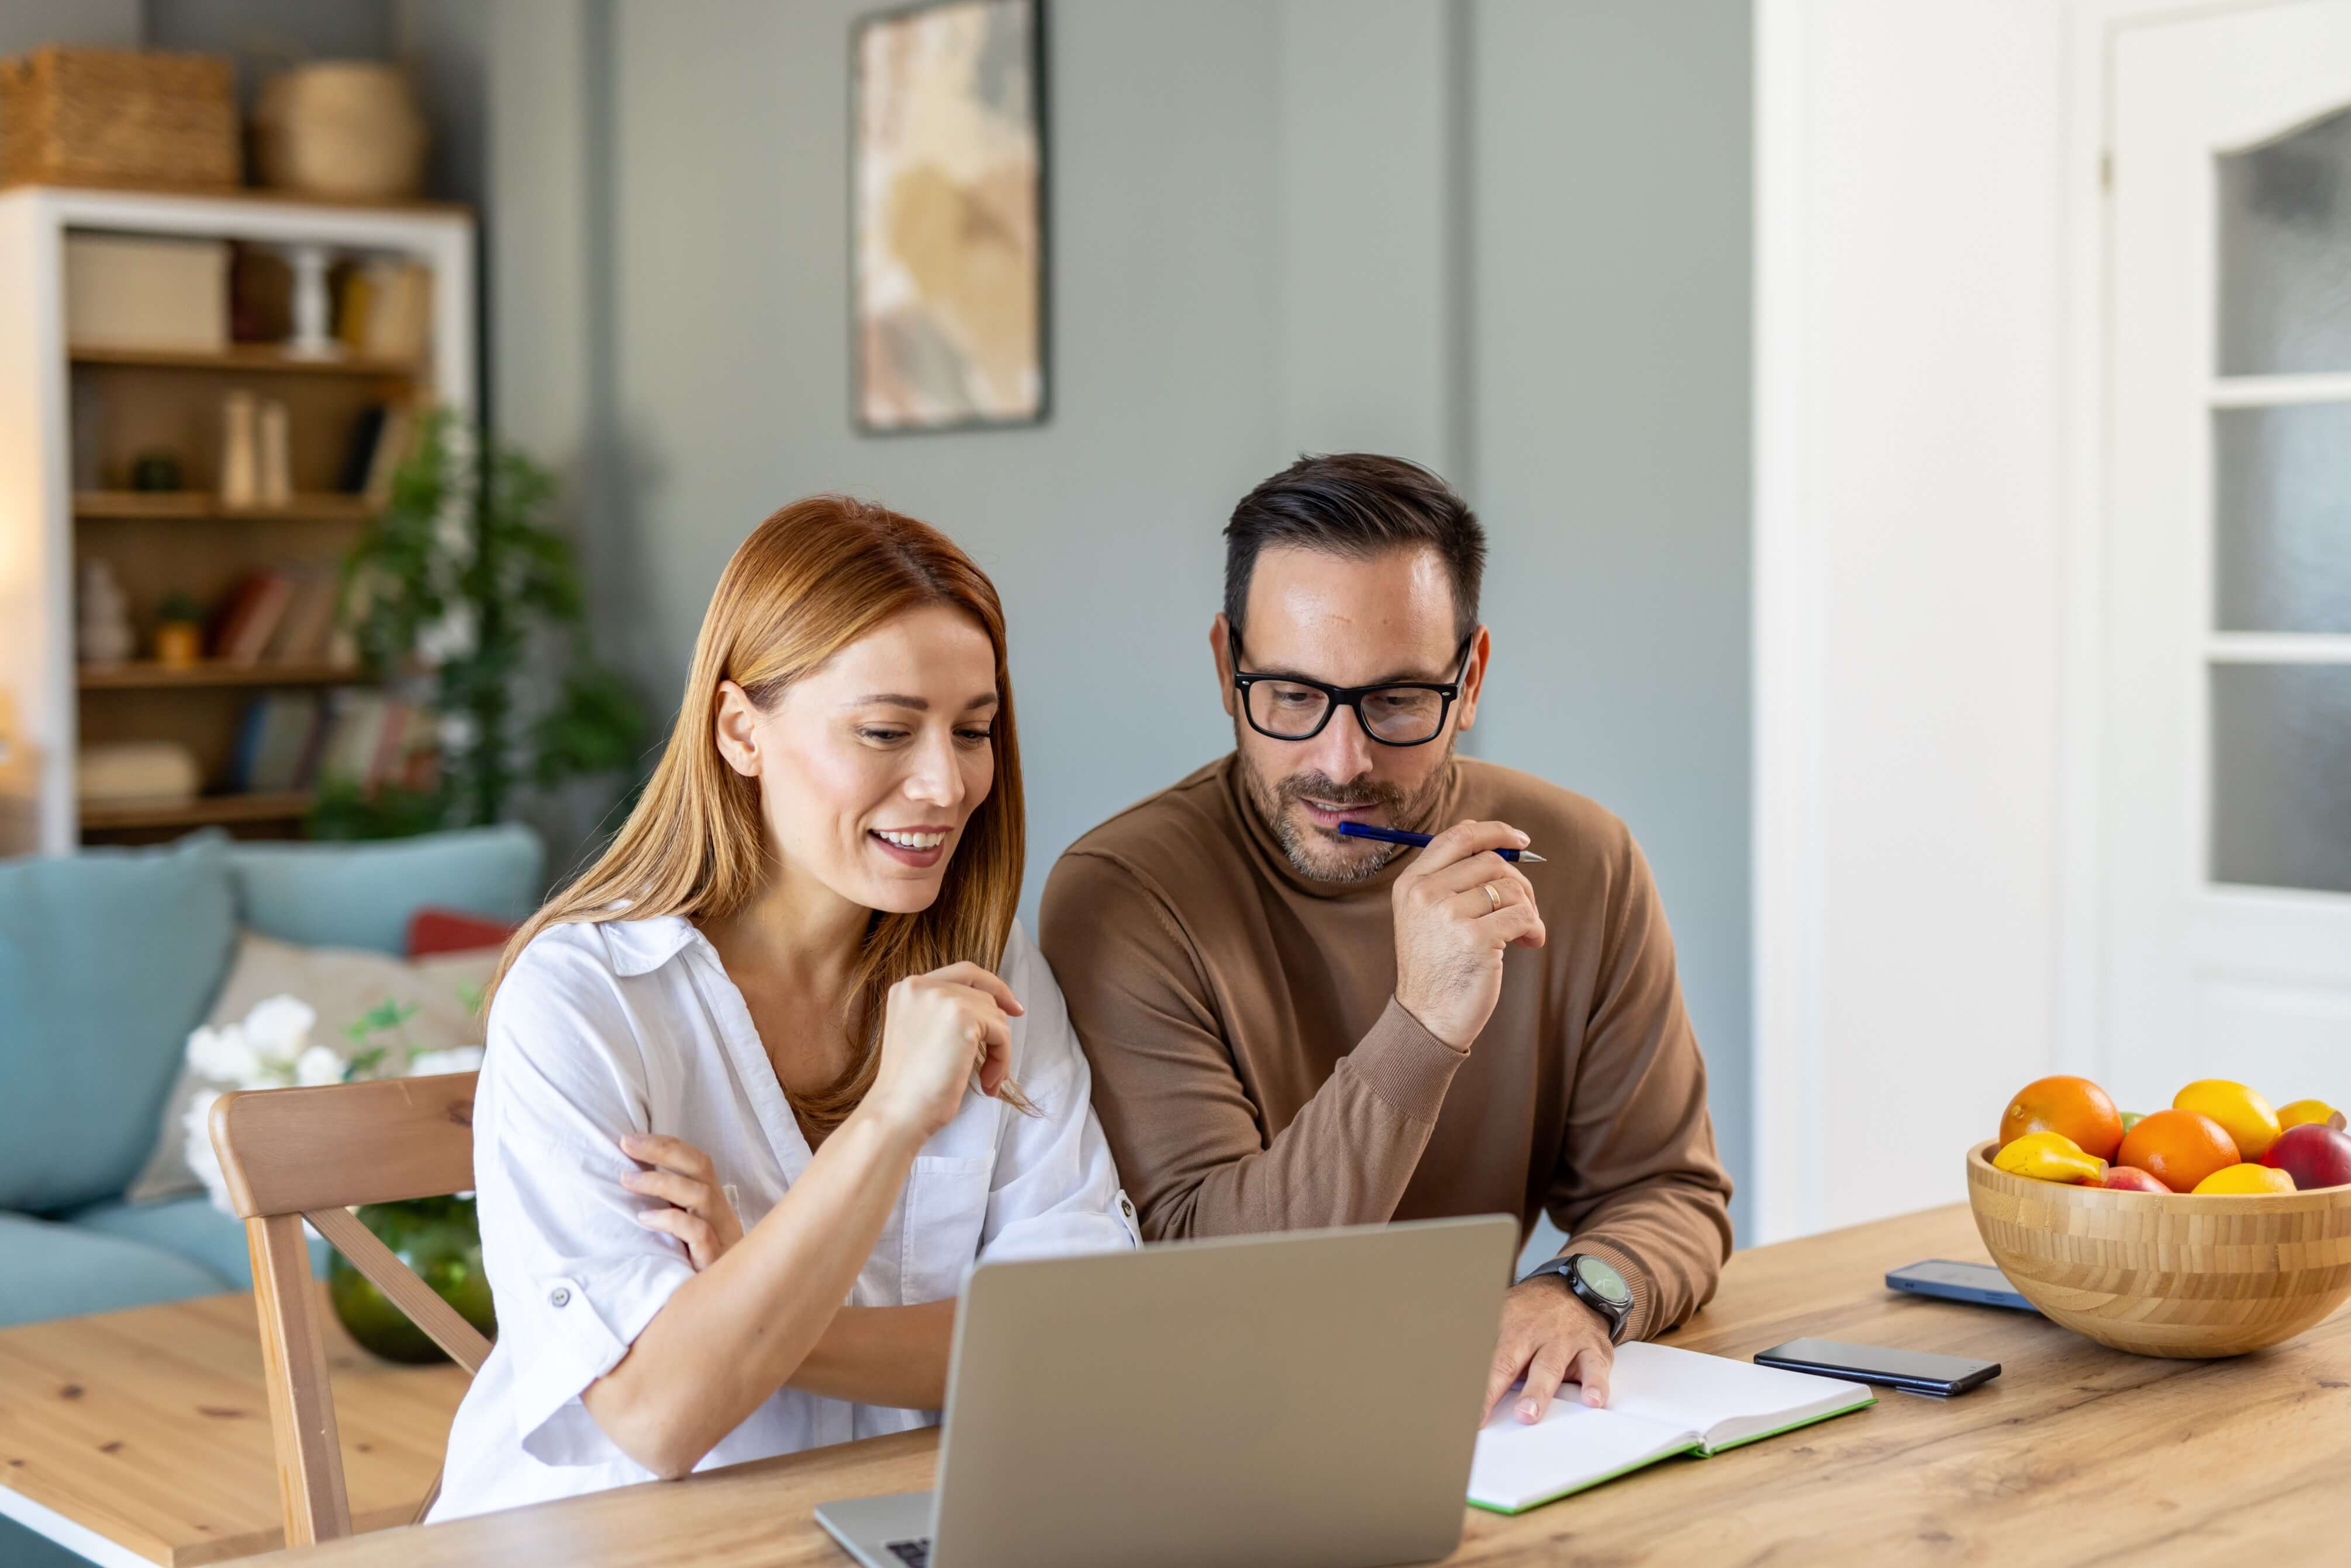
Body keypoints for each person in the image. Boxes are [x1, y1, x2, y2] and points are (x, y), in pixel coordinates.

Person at [431, 497, 1135, 1521]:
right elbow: (655, 1411)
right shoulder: (584, 997)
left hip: (882, 1524)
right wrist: (890, 1121)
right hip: (612, 1543)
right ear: (739, 730)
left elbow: (1077, 1342)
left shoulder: (991, 970)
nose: (945, 783)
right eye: (887, 730)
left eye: (973, 731)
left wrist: (755, 1294)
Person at [1039, 453, 1732, 1431]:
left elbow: (1669, 1190)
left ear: (1472, 675)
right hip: (1223, 1430)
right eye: (1290, 695)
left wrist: (1579, 1292)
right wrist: (1422, 1027)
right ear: (1224, 670)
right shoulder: (1123, 898)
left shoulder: (1581, 860)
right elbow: (1208, 1279)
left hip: (1487, 1430)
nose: (1341, 761)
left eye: (1398, 700)